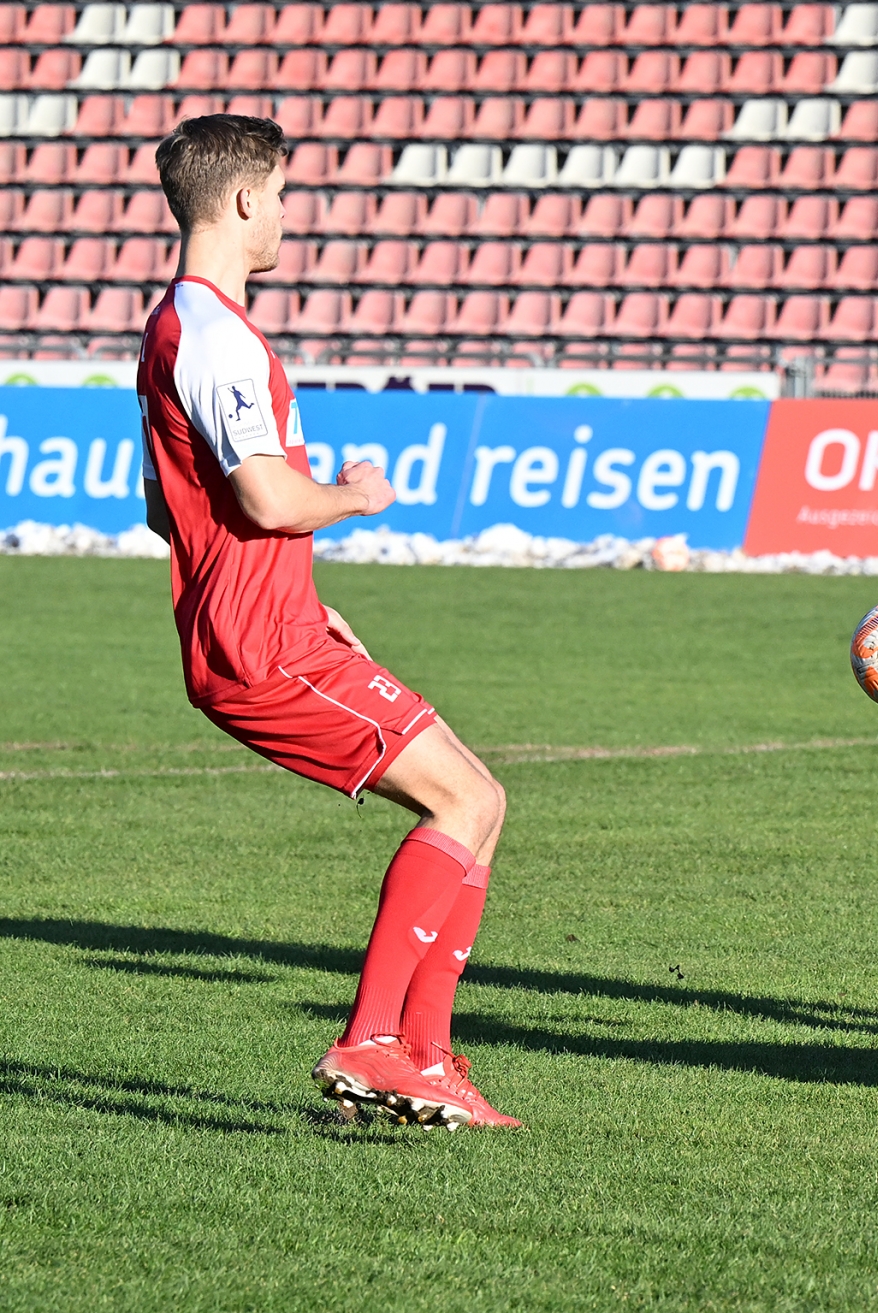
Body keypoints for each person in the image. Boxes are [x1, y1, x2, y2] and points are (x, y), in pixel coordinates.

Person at [137, 115, 517, 1128]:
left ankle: (424, 1056)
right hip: (260, 647)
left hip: (274, 626)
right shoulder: (214, 337)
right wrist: (357, 496)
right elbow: (266, 499)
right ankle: (374, 1042)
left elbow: (165, 506)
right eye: (282, 195)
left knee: (480, 801)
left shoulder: (178, 326)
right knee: (463, 802)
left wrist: (296, 592)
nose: (287, 215)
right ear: (244, 200)